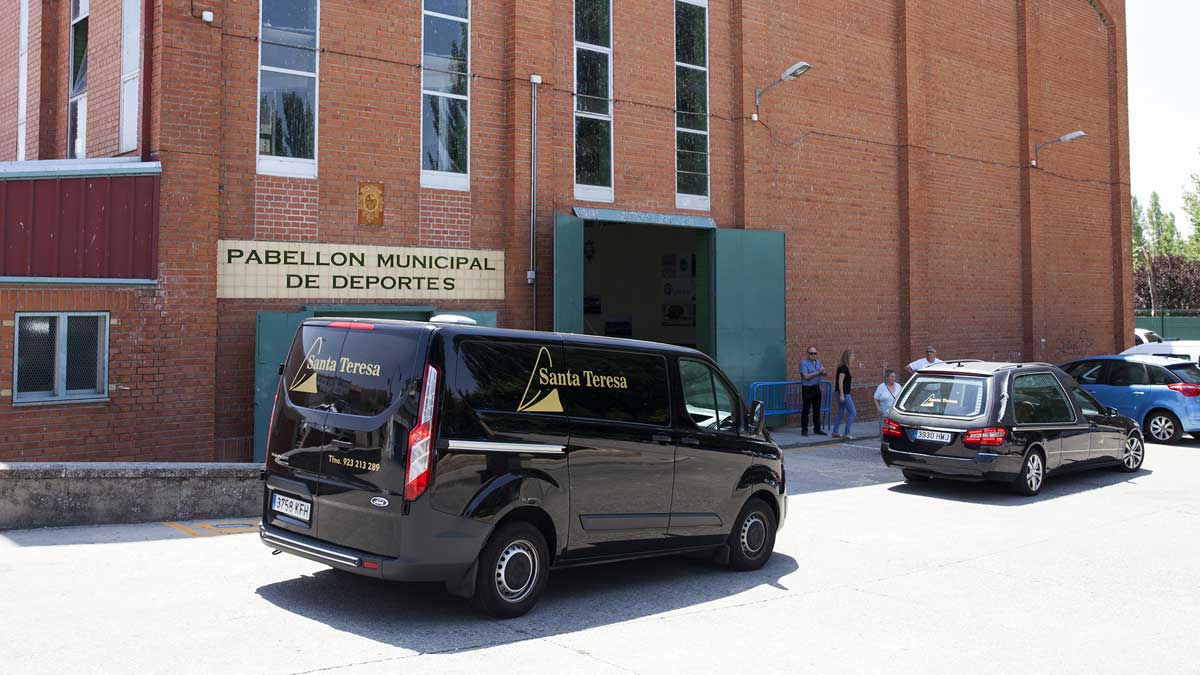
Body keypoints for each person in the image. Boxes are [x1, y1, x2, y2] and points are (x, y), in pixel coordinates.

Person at [798, 346, 827, 436]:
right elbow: (805, 376)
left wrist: (823, 372)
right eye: (811, 353)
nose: (813, 355)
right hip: (807, 388)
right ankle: (804, 429)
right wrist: (818, 372)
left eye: (815, 353)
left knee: (817, 409)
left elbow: (825, 374)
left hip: (817, 388)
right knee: (806, 409)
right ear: (808, 354)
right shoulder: (803, 363)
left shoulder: (818, 362)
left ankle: (817, 429)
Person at [832, 350, 856, 440]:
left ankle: (835, 432)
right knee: (853, 412)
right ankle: (846, 433)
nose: (854, 358)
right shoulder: (844, 368)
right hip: (844, 393)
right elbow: (840, 381)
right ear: (848, 357)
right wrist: (842, 394)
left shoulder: (842, 367)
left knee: (841, 412)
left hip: (840, 393)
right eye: (853, 356)